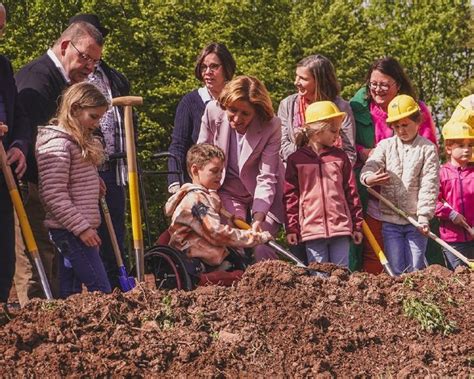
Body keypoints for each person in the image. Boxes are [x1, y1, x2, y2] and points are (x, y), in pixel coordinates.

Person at [14, 21, 104, 301]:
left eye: (95, 62)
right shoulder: (36, 79)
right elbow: (37, 141)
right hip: (33, 187)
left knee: (56, 265)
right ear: (66, 46)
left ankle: (58, 321)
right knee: (36, 260)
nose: (90, 67)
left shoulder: (66, 83)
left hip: (53, 191)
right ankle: (37, 330)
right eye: (86, 57)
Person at [350, 56, 438, 274]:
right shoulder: (360, 110)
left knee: (416, 260)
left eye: (384, 85)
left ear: (397, 84)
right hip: (379, 200)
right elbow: (354, 149)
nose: (378, 89)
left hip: (411, 200)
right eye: (373, 84)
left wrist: (424, 213)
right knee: (379, 254)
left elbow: (429, 170)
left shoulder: (419, 117)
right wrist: (366, 163)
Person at [69, 13, 135, 290]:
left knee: (113, 234)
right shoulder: (71, 75)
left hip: (114, 168)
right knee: (84, 234)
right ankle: (91, 292)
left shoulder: (112, 77)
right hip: (84, 168)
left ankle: (116, 289)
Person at [36, 82, 111, 298]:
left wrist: (92, 183)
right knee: (102, 289)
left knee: (70, 293)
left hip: (77, 228)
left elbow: (72, 182)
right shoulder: (57, 145)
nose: (97, 124)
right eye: (93, 116)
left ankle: (69, 331)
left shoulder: (77, 142)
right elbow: (53, 194)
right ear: (75, 109)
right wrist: (82, 229)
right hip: (71, 231)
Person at [198, 75, 284, 262]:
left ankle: (274, 284)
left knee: (261, 244)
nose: (237, 119)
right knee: (233, 241)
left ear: (257, 112)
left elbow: (267, 176)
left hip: (264, 195)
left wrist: (258, 219)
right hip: (228, 191)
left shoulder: (272, 125)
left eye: (245, 114)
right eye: (232, 110)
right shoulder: (212, 111)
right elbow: (201, 157)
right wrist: (208, 192)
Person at [165, 143, 273, 266]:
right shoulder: (197, 199)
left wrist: (231, 220)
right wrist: (255, 237)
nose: (220, 176)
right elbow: (216, 232)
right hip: (191, 256)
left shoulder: (202, 197)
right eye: (214, 171)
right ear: (195, 170)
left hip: (201, 252)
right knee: (237, 263)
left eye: (221, 171)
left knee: (237, 259)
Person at [284, 101, 363, 267]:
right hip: (312, 230)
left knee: (341, 274)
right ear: (317, 131)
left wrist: (356, 225)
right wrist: (292, 228)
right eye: (333, 131)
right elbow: (291, 196)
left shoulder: (340, 158)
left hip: (340, 228)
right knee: (318, 276)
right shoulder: (296, 160)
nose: (337, 135)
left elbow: (351, 192)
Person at [168, 43, 236, 193]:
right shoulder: (190, 102)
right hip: (201, 186)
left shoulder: (239, 101)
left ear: (226, 68)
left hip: (236, 184)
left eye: (214, 67)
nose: (207, 72)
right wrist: (175, 182)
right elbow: (178, 145)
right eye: (204, 67)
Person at [0, 3, 31, 313]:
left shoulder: (3, 65)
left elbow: (18, 115)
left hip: (2, 169)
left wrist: (19, 144)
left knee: (5, 246)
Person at [278, 54, 356, 166]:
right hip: (296, 172)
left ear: (319, 82)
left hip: (332, 174)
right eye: (297, 76)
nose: (296, 82)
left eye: (303, 78)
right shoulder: (288, 105)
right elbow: (282, 145)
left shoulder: (341, 107)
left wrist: (330, 169)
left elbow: (349, 151)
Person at [435, 121, 474, 270]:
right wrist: (451, 214)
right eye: (461, 145)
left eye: (470, 145)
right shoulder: (441, 173)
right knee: (459, 279)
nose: (467, 150)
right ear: (449, 148)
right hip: (453, 240)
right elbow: (433, 202)